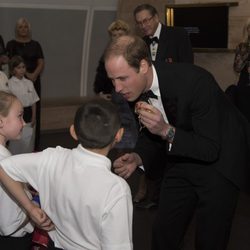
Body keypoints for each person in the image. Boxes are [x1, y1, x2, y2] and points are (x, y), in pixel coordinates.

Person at [104, 35, 250, 250]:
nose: (117, 88)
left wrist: (165, 130)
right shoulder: (133, 90)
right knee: (164, 231)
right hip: (180, 157)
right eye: (112, 80)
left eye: (122, 78)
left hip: (220, 162)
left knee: (210, 238)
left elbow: (209, 148)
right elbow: (149, 134)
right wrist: (138, 157)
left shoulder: (196, 82)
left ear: (143, 66)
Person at [0, 97, 133, 250]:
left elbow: (3, 167)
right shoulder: (116, 189)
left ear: (73, 132)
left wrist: (30, 208)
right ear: (119, 134)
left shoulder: (52, 158)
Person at [133, 3, 194, 206]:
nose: (143, 25)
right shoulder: (140, 44)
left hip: (176, 108)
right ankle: (158, 197)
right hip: (152, 106)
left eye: (146, 20)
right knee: (155, 153)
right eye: (139, 23)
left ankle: (176, 197)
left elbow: (188, 70)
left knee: (175, 154)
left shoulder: (178, 35)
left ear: (156, 17)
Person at [94, 19, 138, 150]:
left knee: (132, 126)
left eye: (120, 34)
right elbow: (100, 75)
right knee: (118, 127)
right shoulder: (107, 54)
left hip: (132, 96)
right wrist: (100, 92)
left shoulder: (134, 51)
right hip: (115, 98)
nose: (117, 37)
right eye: (114, 35)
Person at [0, 91, 34, 250]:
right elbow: (9, 223)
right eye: (19, 116)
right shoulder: (5, 161)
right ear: (0, 121)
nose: (24, 122)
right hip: (13, 241)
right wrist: (34, 210)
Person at [6, 17, 44, 150]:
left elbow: (41, 62)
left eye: (25, 27)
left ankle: (33, 145)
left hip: (33, 80)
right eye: (21, 27)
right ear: (17, 29)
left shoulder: (36, 44)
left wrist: (33, 75)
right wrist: (26, 73)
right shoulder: (11, 44)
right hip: (19, 80)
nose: (23, 29)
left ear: (29, 29)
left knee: (33, 111)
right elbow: (9, 61)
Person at [6, 55, 40, 154]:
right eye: (18, 68)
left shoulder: (29, 83)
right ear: (13, 70)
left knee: (28, 140)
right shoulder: (10, 84)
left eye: (23, 67)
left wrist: (34, 117)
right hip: (16, 114)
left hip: (29, 114)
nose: (22, 70)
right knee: (16, 141)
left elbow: (34, 101)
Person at [231, 18, 250, 122]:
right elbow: (237, 68)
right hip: (245, 87)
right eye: (249, 28)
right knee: (244, 118)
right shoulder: (242, 46)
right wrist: (246, 51)